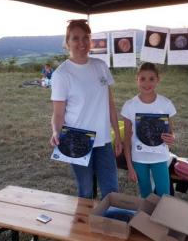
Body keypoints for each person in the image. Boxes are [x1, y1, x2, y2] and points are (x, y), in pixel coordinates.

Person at [50, 19, 122, 199]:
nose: (81, 43)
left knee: (111, 190)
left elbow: (110, 104)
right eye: (75, 38)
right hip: (77, 139)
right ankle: (85, 226)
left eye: (85, 38)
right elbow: (58, 113)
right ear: (67, 43)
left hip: (104, 139)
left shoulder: (100, 66)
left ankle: (107, 225)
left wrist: (118, 137)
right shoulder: (61, 74)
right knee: (86, 192)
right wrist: (55, 132)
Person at [121, 62, 176, 198]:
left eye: (151, 78)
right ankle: (146, 219)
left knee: (165, 196)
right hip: (139, 159)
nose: (147, 83)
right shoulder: (130, 106)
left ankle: (163, 218)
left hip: (160, 157)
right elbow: (126, 139)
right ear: (137, 80)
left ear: (158, 79)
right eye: (143, 79)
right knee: (145, 196)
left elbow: (170, 133)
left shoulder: (166, 104)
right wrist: (130, 165)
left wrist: (171, 139)